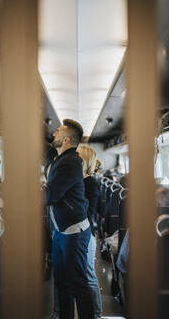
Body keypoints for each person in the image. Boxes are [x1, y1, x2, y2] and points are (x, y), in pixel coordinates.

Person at [44, 119, 94, 319]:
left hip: (73, 231)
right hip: (60, 231)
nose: (54, 134)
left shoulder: (70, 163)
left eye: (57, 132)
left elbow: (50, 195)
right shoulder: (60, 159)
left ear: (66, 139)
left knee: (77, 283)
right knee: (61, 283)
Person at [77, 144, 102, 318]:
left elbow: (89, 213)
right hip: (74, 234)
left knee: (89, 277)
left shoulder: (91, 183)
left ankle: (97, 315)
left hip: (85, 234)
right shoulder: (78, 181)